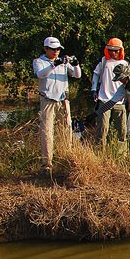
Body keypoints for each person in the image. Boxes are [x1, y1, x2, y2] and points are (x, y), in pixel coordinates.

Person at [32, 36, 82, 174]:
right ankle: (47, 164)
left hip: (62, 100)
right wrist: (54, 64)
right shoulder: (39, 62)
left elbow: (77, 75)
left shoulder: (64, 63)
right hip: (47, 100)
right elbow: (41, 75)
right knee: (47, 131)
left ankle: (66, 159)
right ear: (45, 49)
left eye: (58, 49)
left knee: (66, 130)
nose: (56, 52)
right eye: (53, 49)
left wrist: (75, 64)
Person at [90, 37, 130, 149]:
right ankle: (99, 152)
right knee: (102, 129)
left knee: (121, 130)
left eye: (116, 50)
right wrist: (94, 89)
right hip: (104, 99)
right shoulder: (103, 61)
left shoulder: (125, 64)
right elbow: (96, 74)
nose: (113, 52)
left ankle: (122, 155)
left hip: (119, 101)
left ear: (120, 50)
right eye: (111, 50)